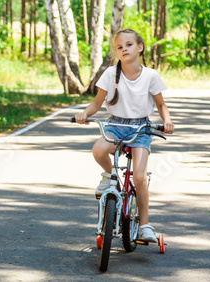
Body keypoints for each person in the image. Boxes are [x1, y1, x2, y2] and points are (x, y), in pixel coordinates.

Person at [74, 28, 175, 243]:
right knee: (98, 149)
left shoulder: (150, 75)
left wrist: (166, 120)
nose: (124, 49)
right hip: (116, 125)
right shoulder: (111, 73)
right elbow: (97, 103)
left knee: (139, 177)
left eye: (129, 45)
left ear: (140, 47)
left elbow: (160, 104)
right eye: (119, 47)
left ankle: (144, 225)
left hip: (141, 129)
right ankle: (109, 175)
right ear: (116, 52)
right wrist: (84, 113)